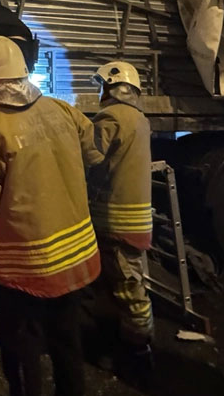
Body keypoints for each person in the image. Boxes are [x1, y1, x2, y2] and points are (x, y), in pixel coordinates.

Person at [0, 36, 105, 396]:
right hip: (77, 254)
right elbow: (96, 159)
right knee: (66, 341)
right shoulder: (63, 109)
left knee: (20, 347)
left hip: (28, 265)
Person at [87, 61, 155, 370]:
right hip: (135, 217)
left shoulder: (111, 116)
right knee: (121, 282)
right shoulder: (139, 119)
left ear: (111, 88)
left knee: (127, 288)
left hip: (115, 219)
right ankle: (120, 343)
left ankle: (137, 353)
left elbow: (90, 157)